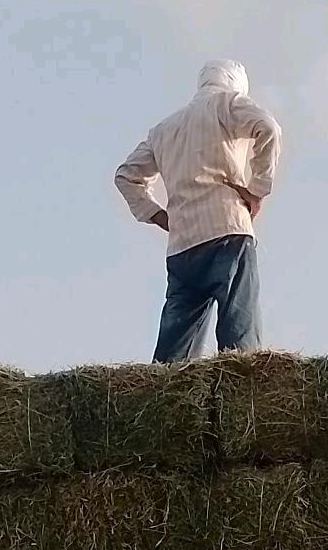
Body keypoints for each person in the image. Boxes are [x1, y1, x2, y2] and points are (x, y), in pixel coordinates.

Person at [114, 60, 282, 362]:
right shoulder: (227, 104)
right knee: (238, 345)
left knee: (172, 359)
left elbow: (126, 176)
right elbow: (268, 127)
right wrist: (257, 189)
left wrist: (159, 215)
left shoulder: (163, 130)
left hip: (182, 248)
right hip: (228, 232)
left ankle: (164, 400)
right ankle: (240, 402)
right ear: (236, 84)